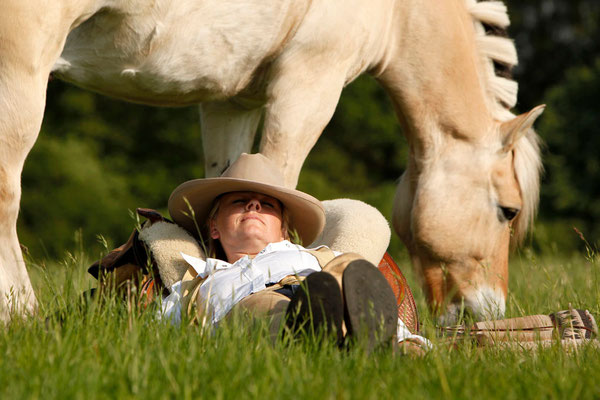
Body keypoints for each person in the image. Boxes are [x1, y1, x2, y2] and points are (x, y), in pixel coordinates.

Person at [164, 152, 428, 349]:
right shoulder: (197, 282)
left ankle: (388, 344)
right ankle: (317, 330)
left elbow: (368, 296)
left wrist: (411, 341)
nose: (254, 205)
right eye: (239, 201)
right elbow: (158, 336)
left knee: (349, 267)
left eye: (267, 204)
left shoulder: (320, 257)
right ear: (214, 227)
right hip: (252, 309)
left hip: (321, 288)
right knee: (266, 309)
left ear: (284, 232)